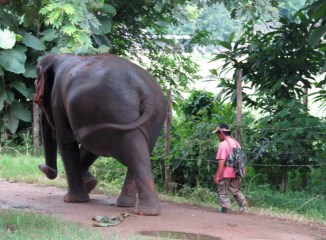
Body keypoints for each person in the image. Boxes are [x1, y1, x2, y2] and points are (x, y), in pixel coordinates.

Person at [212, 123, 247, 213]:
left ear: (221, 133)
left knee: (221, 189)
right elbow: (241, 158)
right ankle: (242, 203)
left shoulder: (223, 144)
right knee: (234, 188)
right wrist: (243, 170)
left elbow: (221, 162)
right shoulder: (236, 143)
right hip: (237, 171)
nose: (217, 136)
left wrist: (217, 175)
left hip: (226, 172)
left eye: (217, 134)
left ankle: (226, 207)